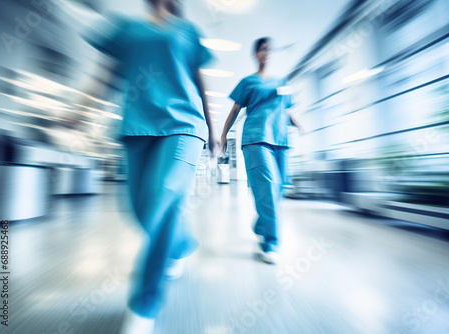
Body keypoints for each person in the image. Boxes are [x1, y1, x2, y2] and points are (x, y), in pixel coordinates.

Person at [73, 0, 218, 333]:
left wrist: (213, 130)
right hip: (138, 128)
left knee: (163, 196)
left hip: (183, 126)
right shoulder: (127, 29)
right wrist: (79, 113)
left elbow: (201, 84)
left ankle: (145, 302)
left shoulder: (187, 32)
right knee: (138, 209)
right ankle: (181, 244)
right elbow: (104, 79)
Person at [220, 37, 301, 265]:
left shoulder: (283, 81)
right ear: (256, 54)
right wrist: (224, 134)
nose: (266, 53)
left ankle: (260, 224)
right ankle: (270, 242)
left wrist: (301, 125)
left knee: (279, 189)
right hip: (256, 138)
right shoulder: (248, 82)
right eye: (262, 49)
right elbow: (235, 109)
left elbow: (287, 110)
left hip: (281, 140)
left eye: (269, 49)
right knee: (267, 186)